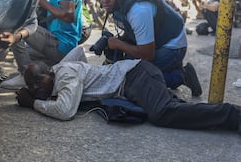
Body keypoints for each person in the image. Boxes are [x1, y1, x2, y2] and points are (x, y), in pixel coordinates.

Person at [15, 46, 241, 133]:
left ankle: (233, 115)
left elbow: (65, 111)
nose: (35, 87)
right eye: (32, 86)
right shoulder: (60, 69)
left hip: (135, 76)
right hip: (134, 79)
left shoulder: (65, 75)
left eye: (38, 80)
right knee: (170, 109)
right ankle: (213, 113)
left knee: (163, 114)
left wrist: (32, 103)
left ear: (50, 72)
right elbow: (78, 51)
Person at [91, 0, 202, 96]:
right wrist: (120, 41)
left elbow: (147, 54)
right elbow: (131, 31)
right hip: (159, 40)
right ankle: (170, 70)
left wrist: (118, 44)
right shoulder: (120, 5)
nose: (105, 0)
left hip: (173, 45)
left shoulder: (138, 11)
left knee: (136, 81)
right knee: (127, 65)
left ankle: (182, 75)